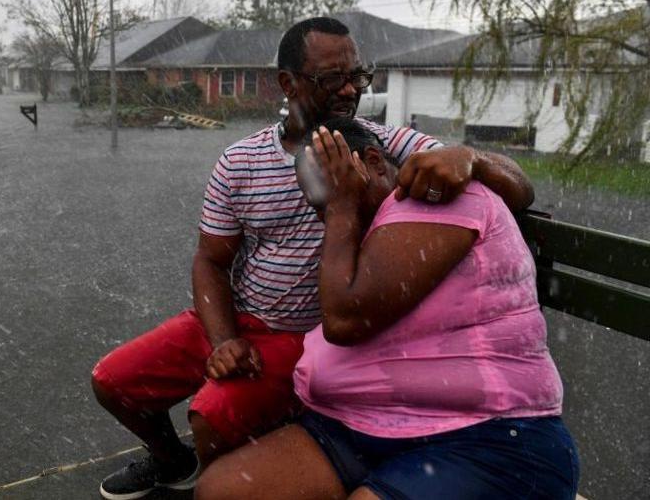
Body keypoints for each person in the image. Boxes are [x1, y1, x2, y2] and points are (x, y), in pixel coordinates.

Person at [89, 16, 536, 500]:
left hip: (299, 336)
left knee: (212, 414)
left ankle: (216, 469)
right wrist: (222, 339)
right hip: (232, 318)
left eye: (357, 77)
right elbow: (210, 261)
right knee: (113, 382)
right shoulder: (241, 161)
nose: (349, 90)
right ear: (288, 83)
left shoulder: (381, 143)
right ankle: (175, 463)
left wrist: (470, 157)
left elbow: (519, 188)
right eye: (331, 79)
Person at [194, 118, 578, 500]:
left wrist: (341, 206)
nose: (322, 218)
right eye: (318, 207)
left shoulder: (436, 197)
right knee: (221, 491)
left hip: (485, 435)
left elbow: (346, 319)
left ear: (375, 162)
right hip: (356, 427)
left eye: (329, 197)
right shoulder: (367, 226)